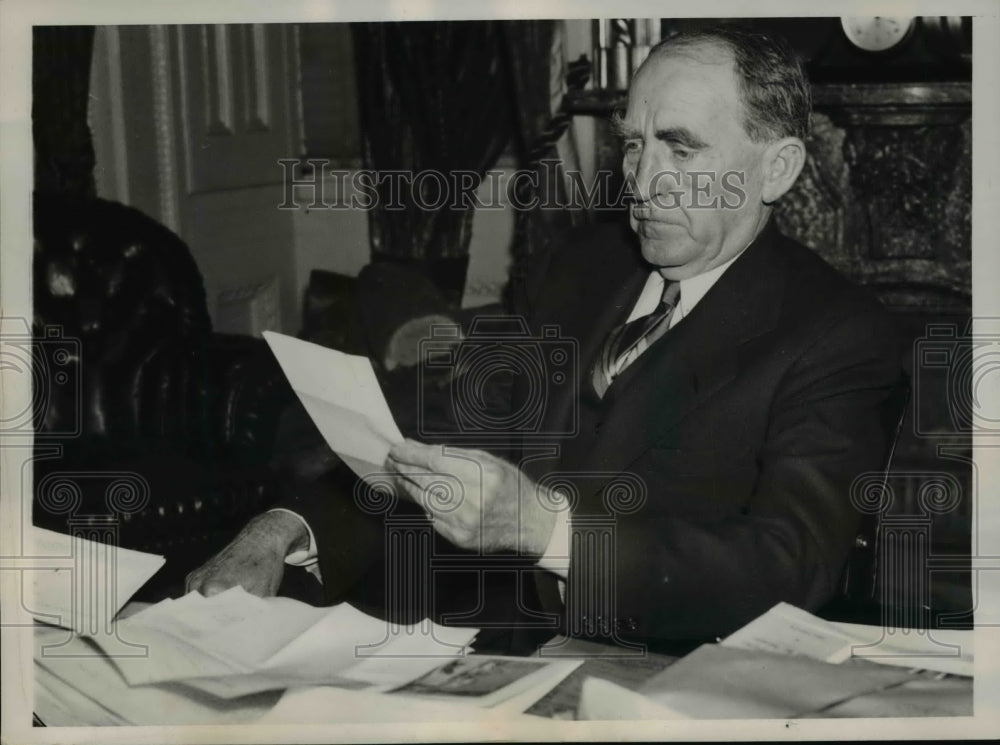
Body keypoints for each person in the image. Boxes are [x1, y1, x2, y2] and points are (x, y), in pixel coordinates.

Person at [187, 26, 903, 647]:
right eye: (633, 144)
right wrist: (282, 525)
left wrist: (545, 530)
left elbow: (790, 566)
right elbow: (449, 421)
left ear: (776, 168)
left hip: (642, 672)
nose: (642, 182)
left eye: (681, 151)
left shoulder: (836, 334)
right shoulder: (586, 267)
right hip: (463, 638)